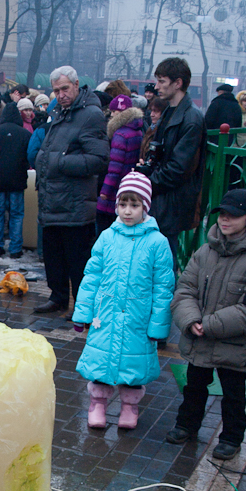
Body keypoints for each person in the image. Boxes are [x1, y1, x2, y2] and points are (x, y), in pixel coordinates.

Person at [166, 188, 246, 460]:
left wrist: (210, 324)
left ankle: (231, 438)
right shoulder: (205, 251)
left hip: (232, 344)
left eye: (233, 216)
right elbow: (184, 290)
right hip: (199, 338)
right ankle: (186, 425)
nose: (225, 221)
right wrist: (191, 320)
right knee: (194, 387)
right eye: (223, 215)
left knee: (233, 395)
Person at [72, 173, 174, 429]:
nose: (128, 211)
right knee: (101, 362)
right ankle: (98, 403)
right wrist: (83, 312)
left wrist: (158, 326)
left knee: (133, 362)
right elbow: (92, 275)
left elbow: (163, 288)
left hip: (137, 318)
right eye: (123, 204)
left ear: (145, 207)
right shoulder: (107, 237)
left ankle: (130, 406)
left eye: (135, 205)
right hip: (104, 315)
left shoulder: (157, 243)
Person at [34, 65, 109, 314]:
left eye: (65, 88)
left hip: (75, 203)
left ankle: (82, 306)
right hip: (52, 200)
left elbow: (99, 160)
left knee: (77, 261)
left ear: (77, 85)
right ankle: (58, 297)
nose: (61, 94)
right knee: (53, 257)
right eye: (56, 90)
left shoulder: (90, 115)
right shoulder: (59, 112)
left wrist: (59, 162)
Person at [135, 57, 207, 268]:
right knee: (154, 261)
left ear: (178, 83)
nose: (157, 87)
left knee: (164, 264)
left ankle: (166, 301)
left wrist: (147, 182)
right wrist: (145, 169)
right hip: (162, 197)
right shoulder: (170, 111)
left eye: (162, 81)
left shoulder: (191, 118)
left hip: (171, 201)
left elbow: (179, 168)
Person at [0, 101, 30, 259]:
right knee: (16, 214)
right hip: (17, 180)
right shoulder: (25, 134)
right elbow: (27, 158)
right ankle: (15, 249)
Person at [97, 94, 144, 235]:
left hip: (113, 192)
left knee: (105, 231)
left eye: (113, 112)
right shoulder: (137, 130)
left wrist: (105, 192)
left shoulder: (120, 135)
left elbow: (114, 168)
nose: (111, 115)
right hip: (128, 185)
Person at [139, 96, 167, 164]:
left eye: (156, 111)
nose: (152, 115)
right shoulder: (150, 128)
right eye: (151, 111)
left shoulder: (163, 132)